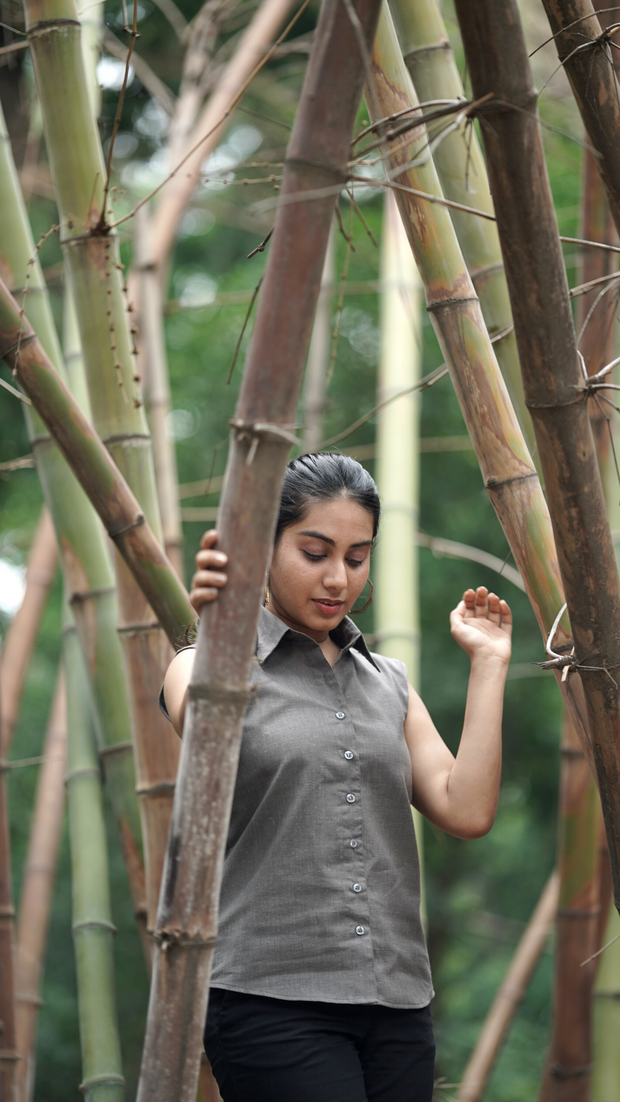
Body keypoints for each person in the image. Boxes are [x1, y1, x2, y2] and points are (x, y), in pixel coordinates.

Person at [161, 452, 512, 1102]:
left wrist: (489, 666)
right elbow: (199, 716)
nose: (337, 578)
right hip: (269, 1000)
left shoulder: (389, 685)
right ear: (263, 546)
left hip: (396, 999)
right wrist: (218, 621)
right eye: (315, 551)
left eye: (356, 557)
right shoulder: (201, 665)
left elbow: (465, 809)